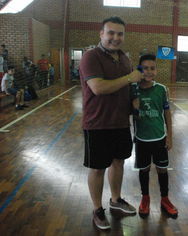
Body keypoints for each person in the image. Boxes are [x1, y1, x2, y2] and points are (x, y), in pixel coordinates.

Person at [79, 16, 143, 230]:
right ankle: (97, 209)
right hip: (97, 124)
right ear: (101, 34)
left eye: (120, 34)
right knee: (97, 168)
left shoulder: (125, 59)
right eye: (111, 33)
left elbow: (128, 88)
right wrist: (128, 79)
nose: (116, 38)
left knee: (118, 162)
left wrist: (133, 102)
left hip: (121, 123)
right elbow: (97, 88)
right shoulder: (91, 57)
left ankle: (116, 199)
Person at [131, 53, 178, 217]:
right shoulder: (133, 89)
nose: (148, 72)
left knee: (162, 169)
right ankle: (145, 199)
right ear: (139, 70)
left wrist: (170, 136)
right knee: (143, 170)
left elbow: (167, 114)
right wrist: (134, 109)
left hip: (159, 138)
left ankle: (165, 199)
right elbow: (133, 116)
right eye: (144, 68)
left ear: (156, 70)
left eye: (152, 68)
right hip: (142, 138)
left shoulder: (161, 89)